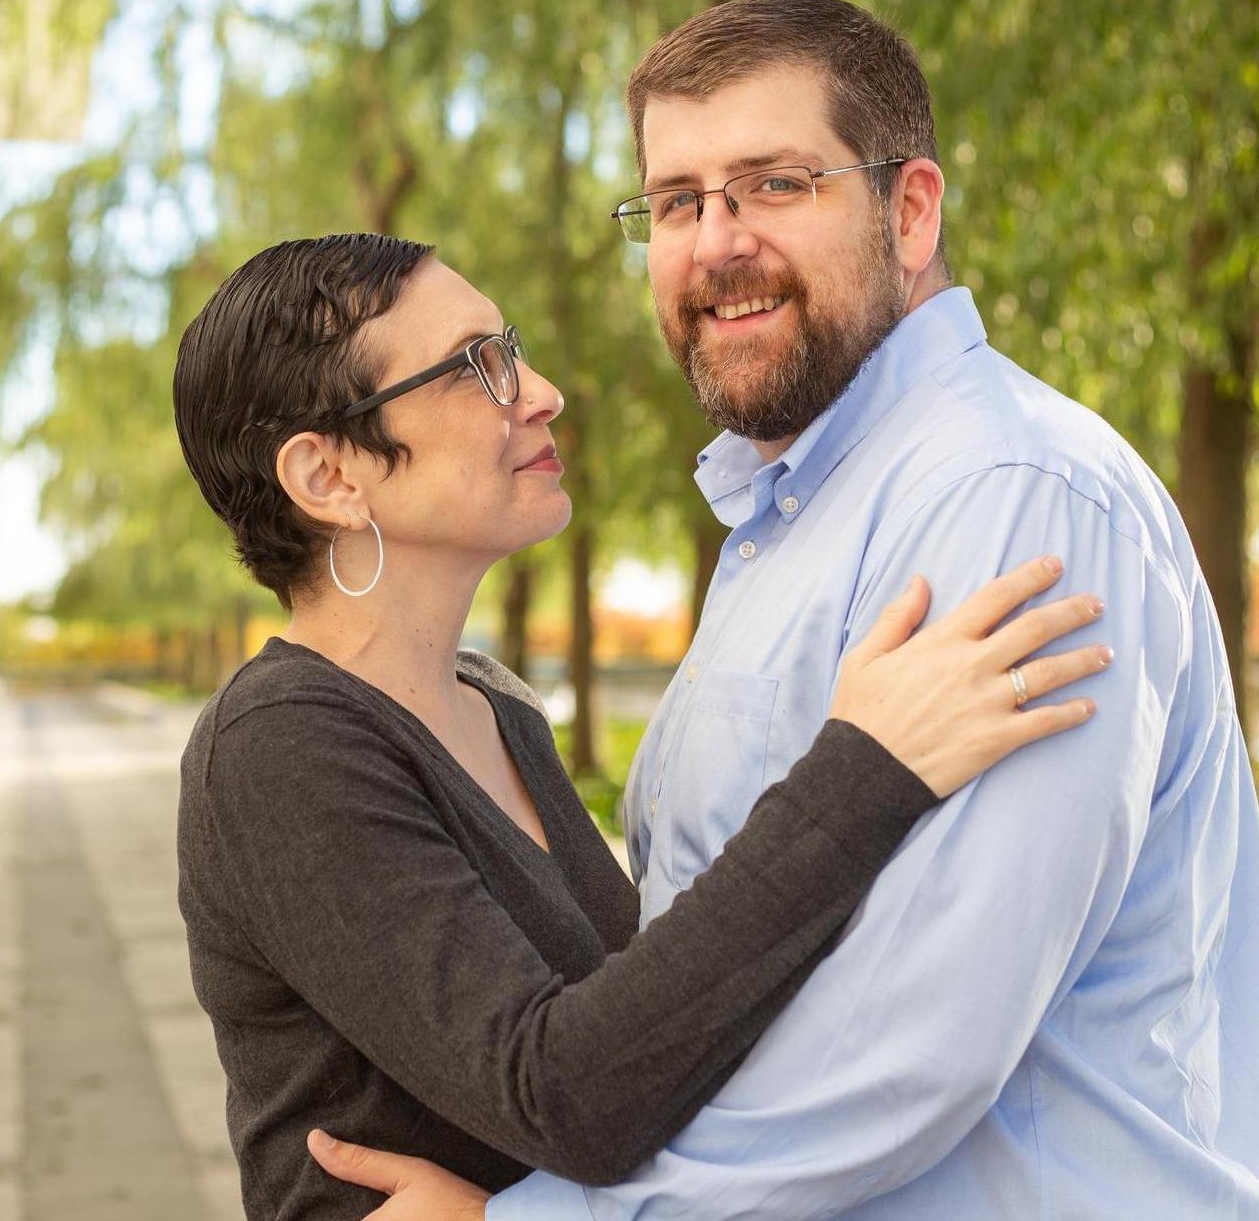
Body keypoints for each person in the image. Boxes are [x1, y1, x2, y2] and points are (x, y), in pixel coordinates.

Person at [311, 0, 1259, 1218]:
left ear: (907, 212)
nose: (714, 242)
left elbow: (914, 1042)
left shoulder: (1005, 500)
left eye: (773, 184)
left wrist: (533, 1218)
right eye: (675, 202)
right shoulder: (786, 517)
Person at [172, 232, 1106, 1221]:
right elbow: (569, 1092)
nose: (537, 391)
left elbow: (658, 1036)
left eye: (514, 345)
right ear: (328, 476)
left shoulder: (499, 709)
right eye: (476, 365)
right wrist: (865, 768)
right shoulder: (279, 747)